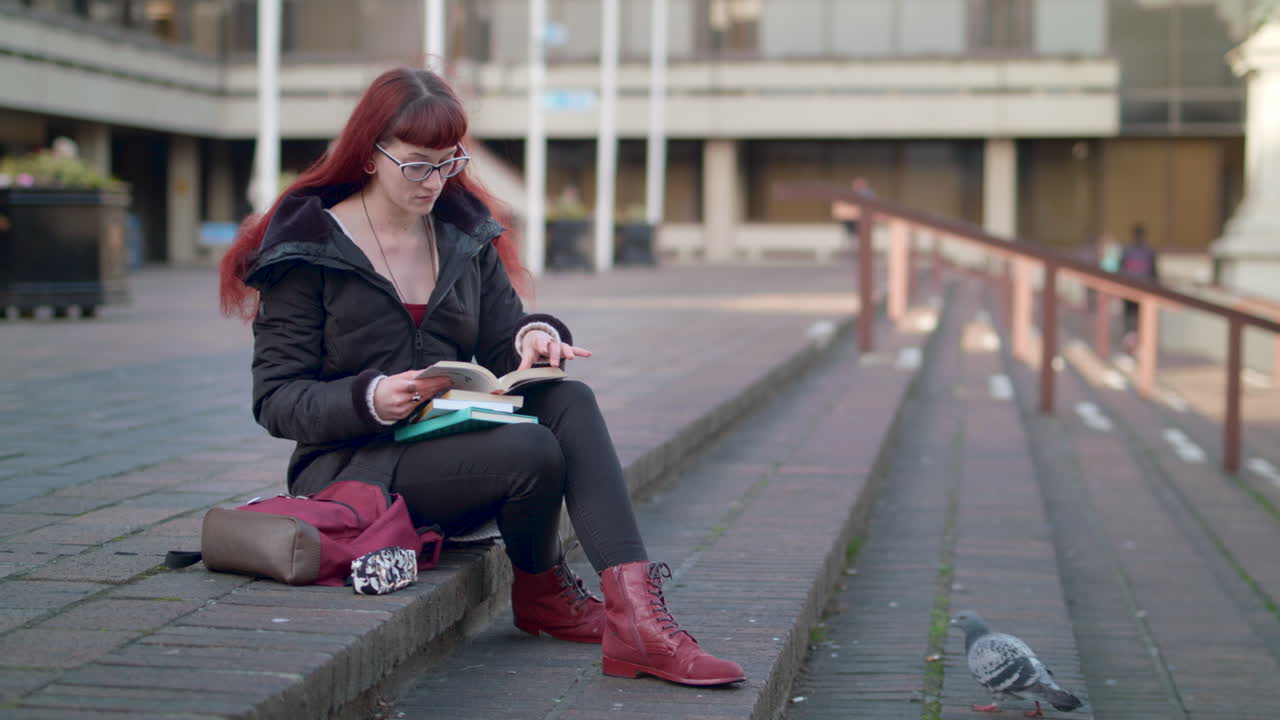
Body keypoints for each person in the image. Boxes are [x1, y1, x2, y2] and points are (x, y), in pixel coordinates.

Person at [217, 67, 744, 687]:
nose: (435, 181)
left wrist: (534, 339)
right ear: (368, 155)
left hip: (454, 454)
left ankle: (638, 619)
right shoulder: (306, 251)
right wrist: (373, 398)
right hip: (353, 470)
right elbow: (277, 399)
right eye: (417, 164)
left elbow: (502, 340)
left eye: (448, 163)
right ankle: (546, 590)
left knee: (568, 400)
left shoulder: (462, 235)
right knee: (531, 447)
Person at [1117, 223, 1159, 351]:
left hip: (1143, 290)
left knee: (1142, 319)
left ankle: (1139, 345)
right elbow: (1121, 269)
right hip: (1129, 290)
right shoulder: (1128, 250)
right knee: (1130, 319)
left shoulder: (1148, 251)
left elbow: (1154, 272)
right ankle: (1129, 345)